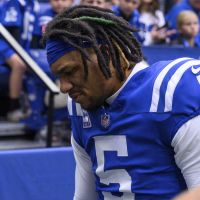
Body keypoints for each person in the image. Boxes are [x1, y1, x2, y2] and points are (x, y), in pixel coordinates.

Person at [43, 5, 200, 199]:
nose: (63, 87)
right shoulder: (79, 107)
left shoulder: (173, 92)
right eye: (59, 76)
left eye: (69, 72)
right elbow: (84, 196)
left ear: (106, 54)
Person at [0, 0, 39, 121]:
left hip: (21, 46)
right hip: (5, 44)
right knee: (19, 65)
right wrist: (20, 54)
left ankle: (34, 108)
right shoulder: (14, 2)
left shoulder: (32, 3)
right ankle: (14, 107)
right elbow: (11, 31)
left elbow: (33, 33)